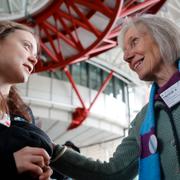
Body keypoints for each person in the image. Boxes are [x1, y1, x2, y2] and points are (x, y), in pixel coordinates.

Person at [50, 14, 180, 180]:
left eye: (134, 42)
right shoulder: (144, 120)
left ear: (163, 36)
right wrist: (52, 151)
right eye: (124, 51)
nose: (126, 57)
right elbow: (114, 173)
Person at [0, 21, 53, 179]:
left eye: (36, 55)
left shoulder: (24, 113)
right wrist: (9, 163)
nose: (35, 60)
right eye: (26, 46)